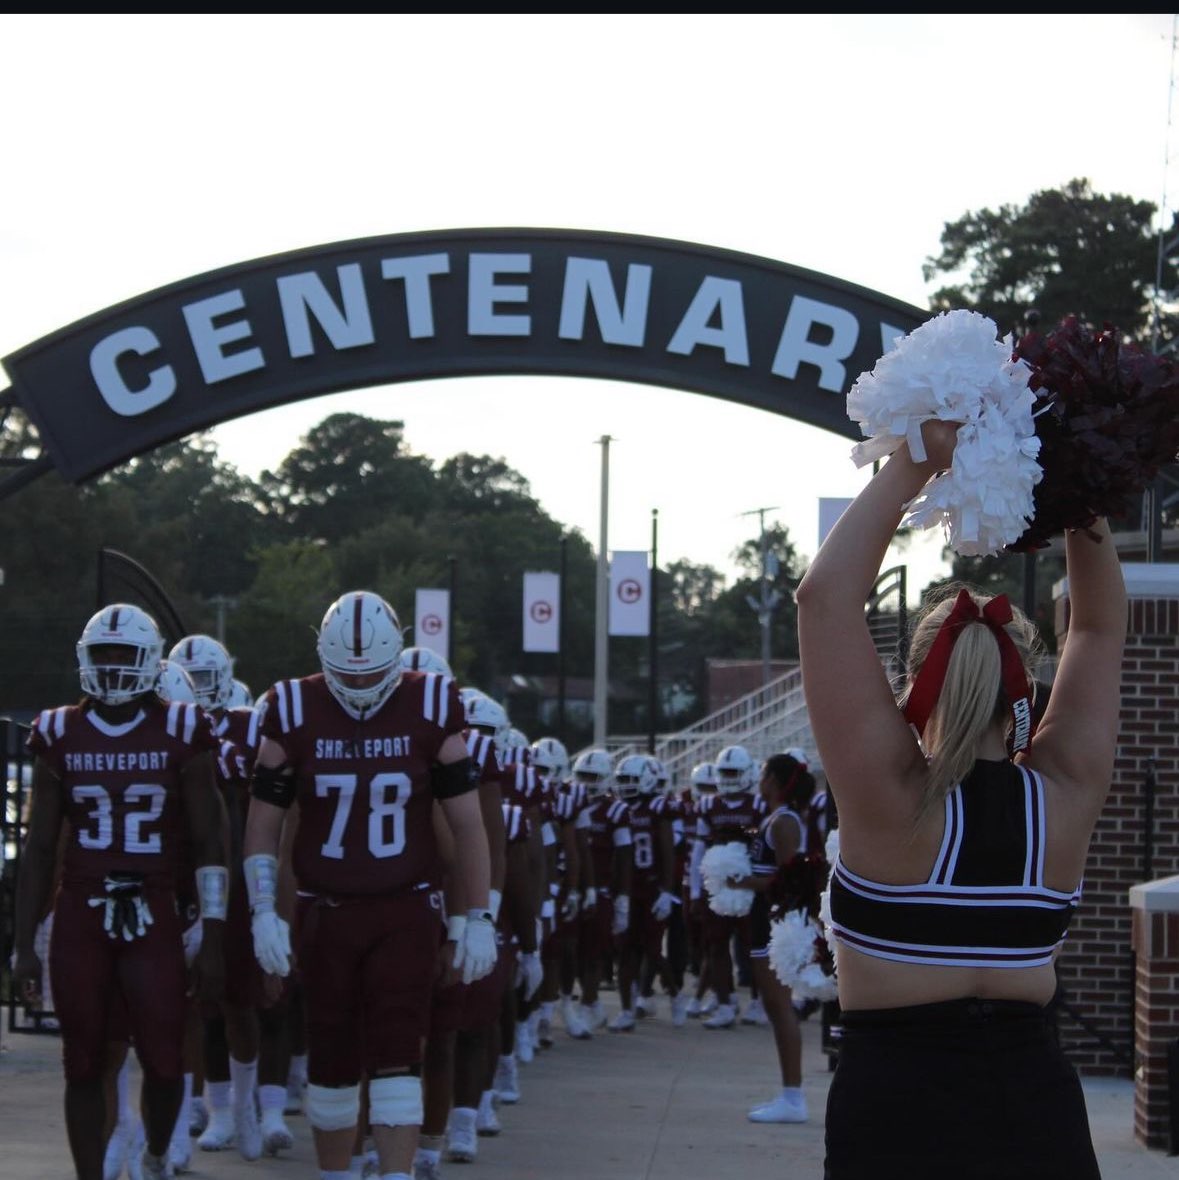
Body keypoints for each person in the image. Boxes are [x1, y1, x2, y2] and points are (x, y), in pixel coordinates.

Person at [796, 419, 1127, 1179]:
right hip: (1037, 1113)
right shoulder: (1062, 796)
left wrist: (920, 458)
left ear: (914, 687)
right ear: (1021, 685)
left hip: (895, 1114)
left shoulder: (886, 796)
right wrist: (1080, 486)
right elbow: (1101, 629)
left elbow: (822, 601)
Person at [241, 589, 495, 1180]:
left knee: (399, 1053)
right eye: (345, 676)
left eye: (373, 675)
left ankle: (398, 1174)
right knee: (329, 1057)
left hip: (404, 908)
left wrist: (478, 916)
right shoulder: (291, 706)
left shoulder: (431, 702)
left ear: (399, 656)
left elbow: (468, 825)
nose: (358, 687)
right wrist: (262, 909)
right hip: (325, 909)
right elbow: (263, 824)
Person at [12, 603, 227, 1180]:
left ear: (150, 661)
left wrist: (212, 930)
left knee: (163, 1059)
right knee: (82, 1062)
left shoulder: (183, 728)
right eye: (100, 655)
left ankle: (157, 1155)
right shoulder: (58, 731)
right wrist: (24, 943)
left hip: (155, 905)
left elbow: (211, 840)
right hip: (82, 905)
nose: (110, 668)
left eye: (122, 655)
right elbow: (38, 847)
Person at [727, 751, 824, 1124]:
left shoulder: (783, 821)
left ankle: (793, 1097)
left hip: (773, 922)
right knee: (773, 1006)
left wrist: (741, 881)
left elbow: (790, 880)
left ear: (776, 781)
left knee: (780, 1007)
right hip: (762, 919)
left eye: (765, 772)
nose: (759, 777)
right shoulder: (775, 818)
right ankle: (789, 1093)